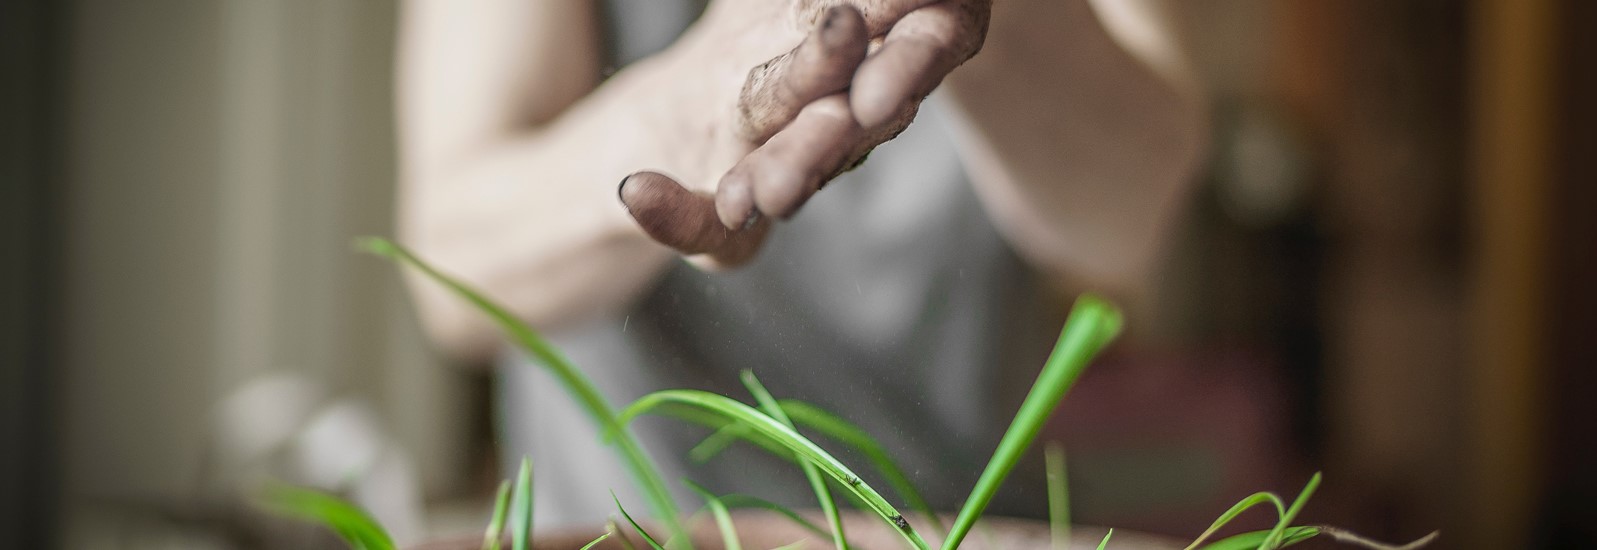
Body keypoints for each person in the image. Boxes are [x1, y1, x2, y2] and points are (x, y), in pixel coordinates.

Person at [397, 0, 1204, 528]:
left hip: (958, 523)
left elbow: (1136, 220)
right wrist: (679, 118)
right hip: (625, 529)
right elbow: (453, 265)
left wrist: (993, 18)